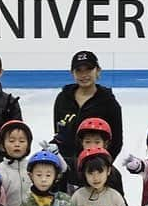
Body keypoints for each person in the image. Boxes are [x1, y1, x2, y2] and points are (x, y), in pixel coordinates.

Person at [51, 51, 124, 181]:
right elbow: (59, 131)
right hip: (67, 169)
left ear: (98, 70)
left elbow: (116, 141)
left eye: (88, 69)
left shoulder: (109, 102)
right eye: (78, 70)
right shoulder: (63, 98)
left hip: (96, 171)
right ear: (72, 73)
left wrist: (102, 167)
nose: (84, 75)